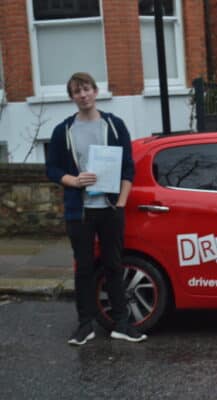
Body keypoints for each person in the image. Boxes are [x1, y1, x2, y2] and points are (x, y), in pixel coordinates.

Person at [46, 72, 147, 345]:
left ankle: (122, 324)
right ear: (72, 97)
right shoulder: (63, 130)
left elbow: (128, 167)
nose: (83, 95)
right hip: (79, 211)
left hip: (110, 207)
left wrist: (121, 202)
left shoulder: (114, 125)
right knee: (84, 269)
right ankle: (85, 325)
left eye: (87, 89)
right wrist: (73, 180)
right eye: (77, 92)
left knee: (114, 265)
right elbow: (52, 169)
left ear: (96, 91)